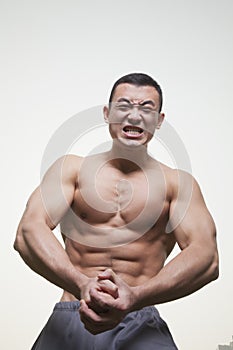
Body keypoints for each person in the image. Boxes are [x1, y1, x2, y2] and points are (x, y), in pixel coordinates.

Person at [14, 73, 219, 350]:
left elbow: (206, 257)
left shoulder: (178, 184)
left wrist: (135, 297)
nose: (134, 117)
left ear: (159, 120)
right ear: (107, 113)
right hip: (72, 313)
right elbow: (29, 231)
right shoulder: (71, 170)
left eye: (146, 108)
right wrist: (82, 285)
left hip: (140, 319)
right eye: (124, 106)